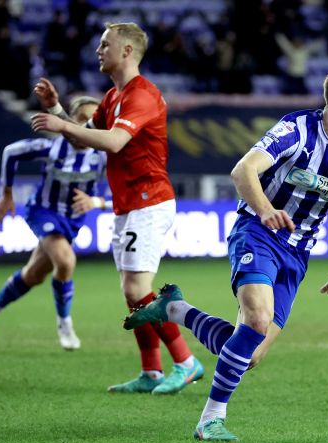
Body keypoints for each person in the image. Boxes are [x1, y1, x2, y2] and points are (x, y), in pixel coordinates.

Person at [123, 66, 328, 441]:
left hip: (297, 254)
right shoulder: (295, 131)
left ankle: (175, 309)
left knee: (250, 354)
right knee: (257, 319)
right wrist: (265, 211)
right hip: (257, 233)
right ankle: (210, 420)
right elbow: (243, 170)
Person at [31, 22, 204, 394]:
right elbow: (83, 142)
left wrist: (61, 124)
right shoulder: (113, 97)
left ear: (127, 51)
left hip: (149, 201)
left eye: (105, 44)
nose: (98, 50)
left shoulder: (143, 95)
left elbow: (113, 141)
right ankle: (151, 372)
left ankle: (186, 362)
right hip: (128, 205)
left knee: (139, 287)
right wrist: (58, 111)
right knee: (131, 292)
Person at [0, 96, 105, 350]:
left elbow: (119, 194)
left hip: (71, 220)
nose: (87, 128)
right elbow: (11, 152)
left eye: (93, 122)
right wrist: (7, 194)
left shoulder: (102, 156)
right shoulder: (52, 148)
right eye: (81, 120)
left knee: (34, 275)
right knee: (66, 261)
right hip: (43, 211)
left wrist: (96, 202)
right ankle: (64, 322)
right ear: (69, 122)